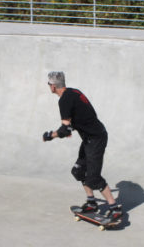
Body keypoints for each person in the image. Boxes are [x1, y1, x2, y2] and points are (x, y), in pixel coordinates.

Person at [42, 71, 123, 221]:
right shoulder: (74, 92)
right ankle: (91, 203)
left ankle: (114, 208)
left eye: (49, 84)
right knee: (78, 172)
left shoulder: (64, 100)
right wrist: (71, 128)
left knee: (94, 177)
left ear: (53, 87)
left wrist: (49, 135)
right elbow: (82, 114)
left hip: (96, 139)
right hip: (89, 138)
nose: (49, 87)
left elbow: (64, 130)